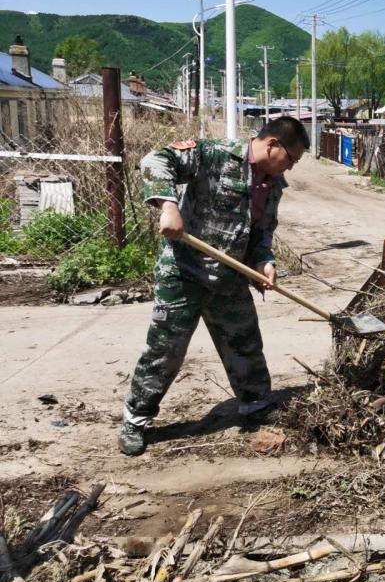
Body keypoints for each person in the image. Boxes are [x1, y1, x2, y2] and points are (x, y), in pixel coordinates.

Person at [118, 116, 309, 456]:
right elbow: (154, 160)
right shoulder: (215, 154)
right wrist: (168, 205)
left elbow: (261, 232)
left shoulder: (273, 184)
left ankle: (256, 406)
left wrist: (264, 262)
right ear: (272, 145)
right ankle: (135, 419)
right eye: (291, 159)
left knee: (244, 342)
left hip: (229, 277)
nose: (291, 167)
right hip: (184, 272)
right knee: (166, 350)